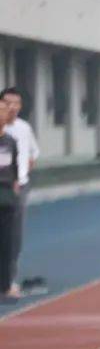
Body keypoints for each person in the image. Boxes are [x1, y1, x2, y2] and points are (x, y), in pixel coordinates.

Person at [0, 88, 39, 297]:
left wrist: (20, 178)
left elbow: (32, 154)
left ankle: (8, 280)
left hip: (16, 189)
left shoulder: (23, 129)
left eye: (15, 103)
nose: (11, 107)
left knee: (12, 238)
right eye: (7, 103)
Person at [0, 95, 19, 301]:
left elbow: (14, 168)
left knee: (7, 245)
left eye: (4, 111)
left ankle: (5, 285)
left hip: (6, 198)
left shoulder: (10, 141)